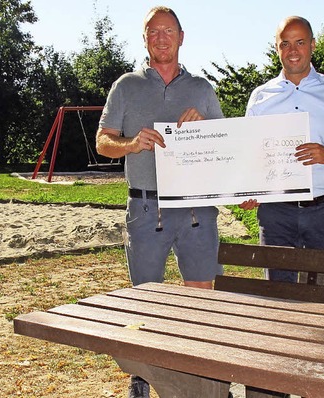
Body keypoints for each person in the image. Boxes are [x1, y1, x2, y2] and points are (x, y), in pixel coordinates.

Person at [96, 6, 225, 398]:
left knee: (200, 293)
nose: (162, 37)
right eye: (154, 32)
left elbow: (227, 146)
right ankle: (142, 375)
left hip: (196, 210)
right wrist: (132, 143)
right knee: (145, 297)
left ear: (182, 37)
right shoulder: (125, 86)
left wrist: (208, 129)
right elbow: (103, 142)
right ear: (146, 39)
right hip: (146, 207)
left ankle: (201, 376)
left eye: (169, 31)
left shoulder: (202, 89)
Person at [241, 16, 324, 287]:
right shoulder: (260, 97)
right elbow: (249, 153)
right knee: (279, 300)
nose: (293, 51)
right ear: (277, 48)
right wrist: (248, 190)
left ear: (313, 45)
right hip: (276, 216)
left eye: (300, 42)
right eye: (285, 43)